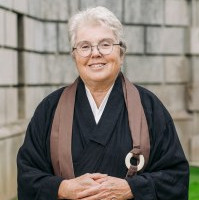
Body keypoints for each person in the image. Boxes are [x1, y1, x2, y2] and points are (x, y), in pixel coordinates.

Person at [17, 6, 189, 200]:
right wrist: (63, 188)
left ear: (121, 54)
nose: (95, 53)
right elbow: (27, 176)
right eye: (84, 46)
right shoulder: (50, 108)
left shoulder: (149, 107)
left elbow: (176, 176)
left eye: (105, 44)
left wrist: (131, 188)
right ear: (75, 56)